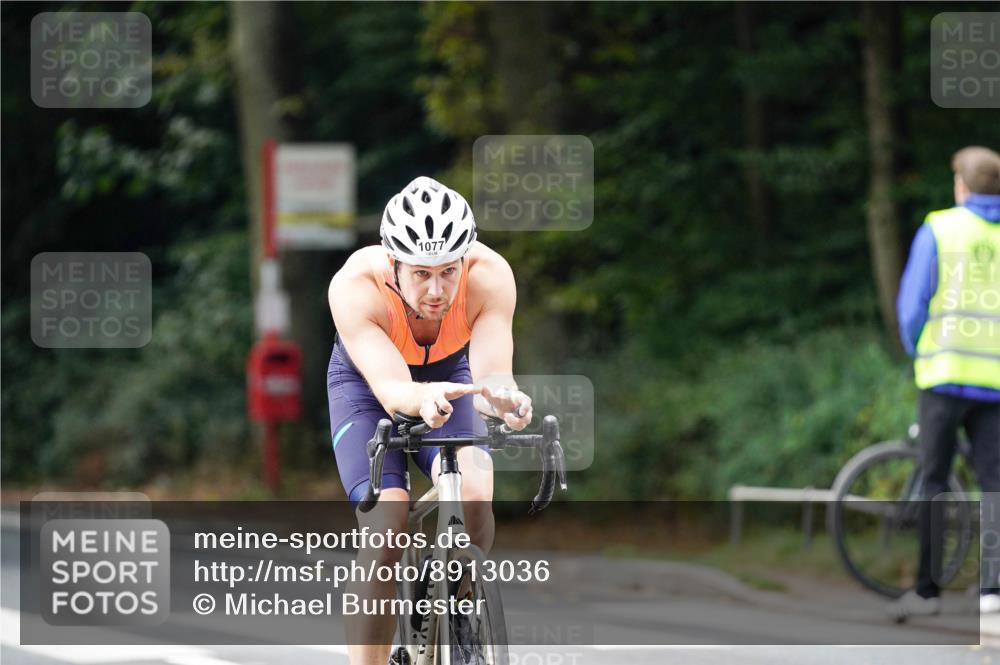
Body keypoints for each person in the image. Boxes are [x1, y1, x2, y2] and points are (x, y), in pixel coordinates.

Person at [326, 176, 532, 664]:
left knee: (477, 490)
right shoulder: (355, 287)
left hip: (449, 377)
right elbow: (394, 392)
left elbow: (492, 374)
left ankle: (460, 614)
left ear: (466, 259)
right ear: (393, 263)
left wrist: (505, 400)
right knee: (388, 524)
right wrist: (418, 398)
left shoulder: (491, 276)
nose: (437, 290)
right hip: (368, 386)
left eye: (448, 271)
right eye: (420, 273)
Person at [889, 146, 1000, 620]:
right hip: (995, 383)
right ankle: (994, 593)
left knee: (933, 481)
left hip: (943, 374)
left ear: (961, 186)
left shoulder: (940, 228)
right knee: (995, 484)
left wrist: (920, 350)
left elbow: (912, 306)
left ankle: (928, 592)